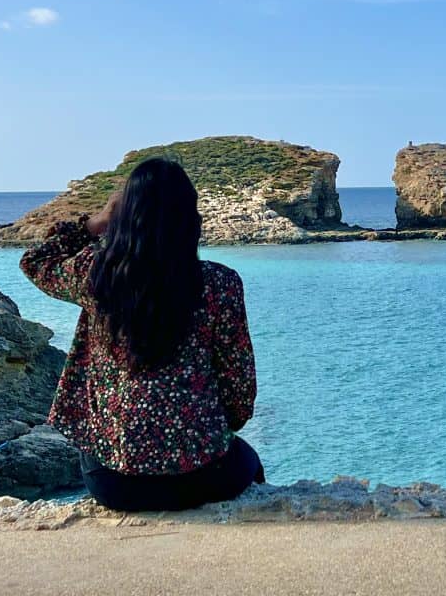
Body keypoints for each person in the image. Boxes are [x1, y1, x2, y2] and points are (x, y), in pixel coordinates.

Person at [20, 157, 264, 511]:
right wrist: (210, 428)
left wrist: (97, 222)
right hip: (204, 473)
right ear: (189, 219)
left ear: (125, 218)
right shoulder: (219, 284)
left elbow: (36, 260)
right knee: (251, 464)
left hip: (114, 482)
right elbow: (238, 383)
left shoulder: (96, 275)